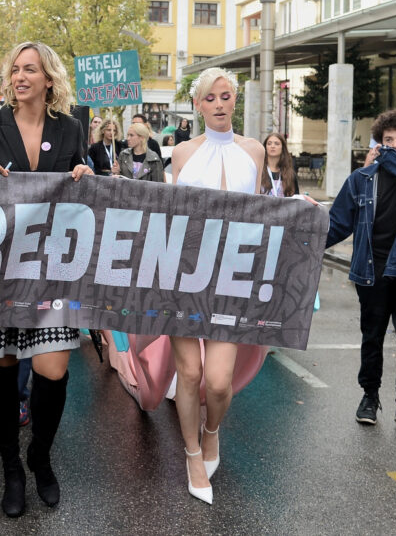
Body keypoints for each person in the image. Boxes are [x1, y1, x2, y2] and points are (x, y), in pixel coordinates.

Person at [115, 68, 266, 506]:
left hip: (231, 278)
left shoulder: (254, 151)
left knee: (218, 383)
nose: (219, 104)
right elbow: (167, 211)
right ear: (198, 105)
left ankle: (211, 431)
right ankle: (193, 455)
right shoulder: (181, 153)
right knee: (192, 373)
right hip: (182, 275)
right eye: (210, 98)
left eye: (225, 96)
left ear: (234, 100)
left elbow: (263, 213)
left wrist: (299, 207)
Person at [0, 41, 93, 518]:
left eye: (29, 69)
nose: (19, 77)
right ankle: (12, 468)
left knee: (52, 371)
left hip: (53, 270)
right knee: (1, 367)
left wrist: (86, 173)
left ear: (48, 79)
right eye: (14, 69)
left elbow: (85, 183)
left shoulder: (70, 127)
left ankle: (40, 455)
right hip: (0, 270)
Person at [327, 109, 396, 439]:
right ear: (378, 142)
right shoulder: (361, 180)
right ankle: (369, 397)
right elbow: (337, 224)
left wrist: (387, 158)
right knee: (373, 336)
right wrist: (301, 242)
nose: (394, 145)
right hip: (371, 269)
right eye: (387, 140)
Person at [261, 132, 299, 197]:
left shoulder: (290, 174)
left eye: (277, 144)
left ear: (282, 148)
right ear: (265, 147)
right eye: (269, 143)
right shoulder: (259, 171)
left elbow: (296, 198)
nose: (272, 146)